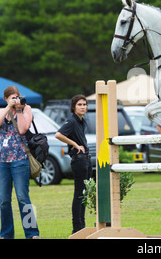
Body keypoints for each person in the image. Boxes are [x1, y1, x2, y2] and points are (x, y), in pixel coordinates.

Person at [0, 86, 40, 239]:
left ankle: (32, 233)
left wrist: (18, 110)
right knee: (4, 201)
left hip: (20, 159)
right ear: (6, 98)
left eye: (17, 96)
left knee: (22, 197)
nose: (16, 99)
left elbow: (22, 129)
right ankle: (6, 234)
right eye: (12, 97)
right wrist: (9, 107)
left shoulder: (26, 109)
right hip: (2, 161)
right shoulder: (2, 111)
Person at [55, 94, 92, 234]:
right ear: (73, 107)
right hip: (79, 160)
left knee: (84, 194)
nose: (83, 107)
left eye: (84, 104)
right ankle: (77, 228)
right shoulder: (71, 121)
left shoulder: (82, 121)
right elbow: (58, 135)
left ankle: (81, 226)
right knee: (79, 194)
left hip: (86, 159)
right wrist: (75, 144)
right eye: (80, 105)